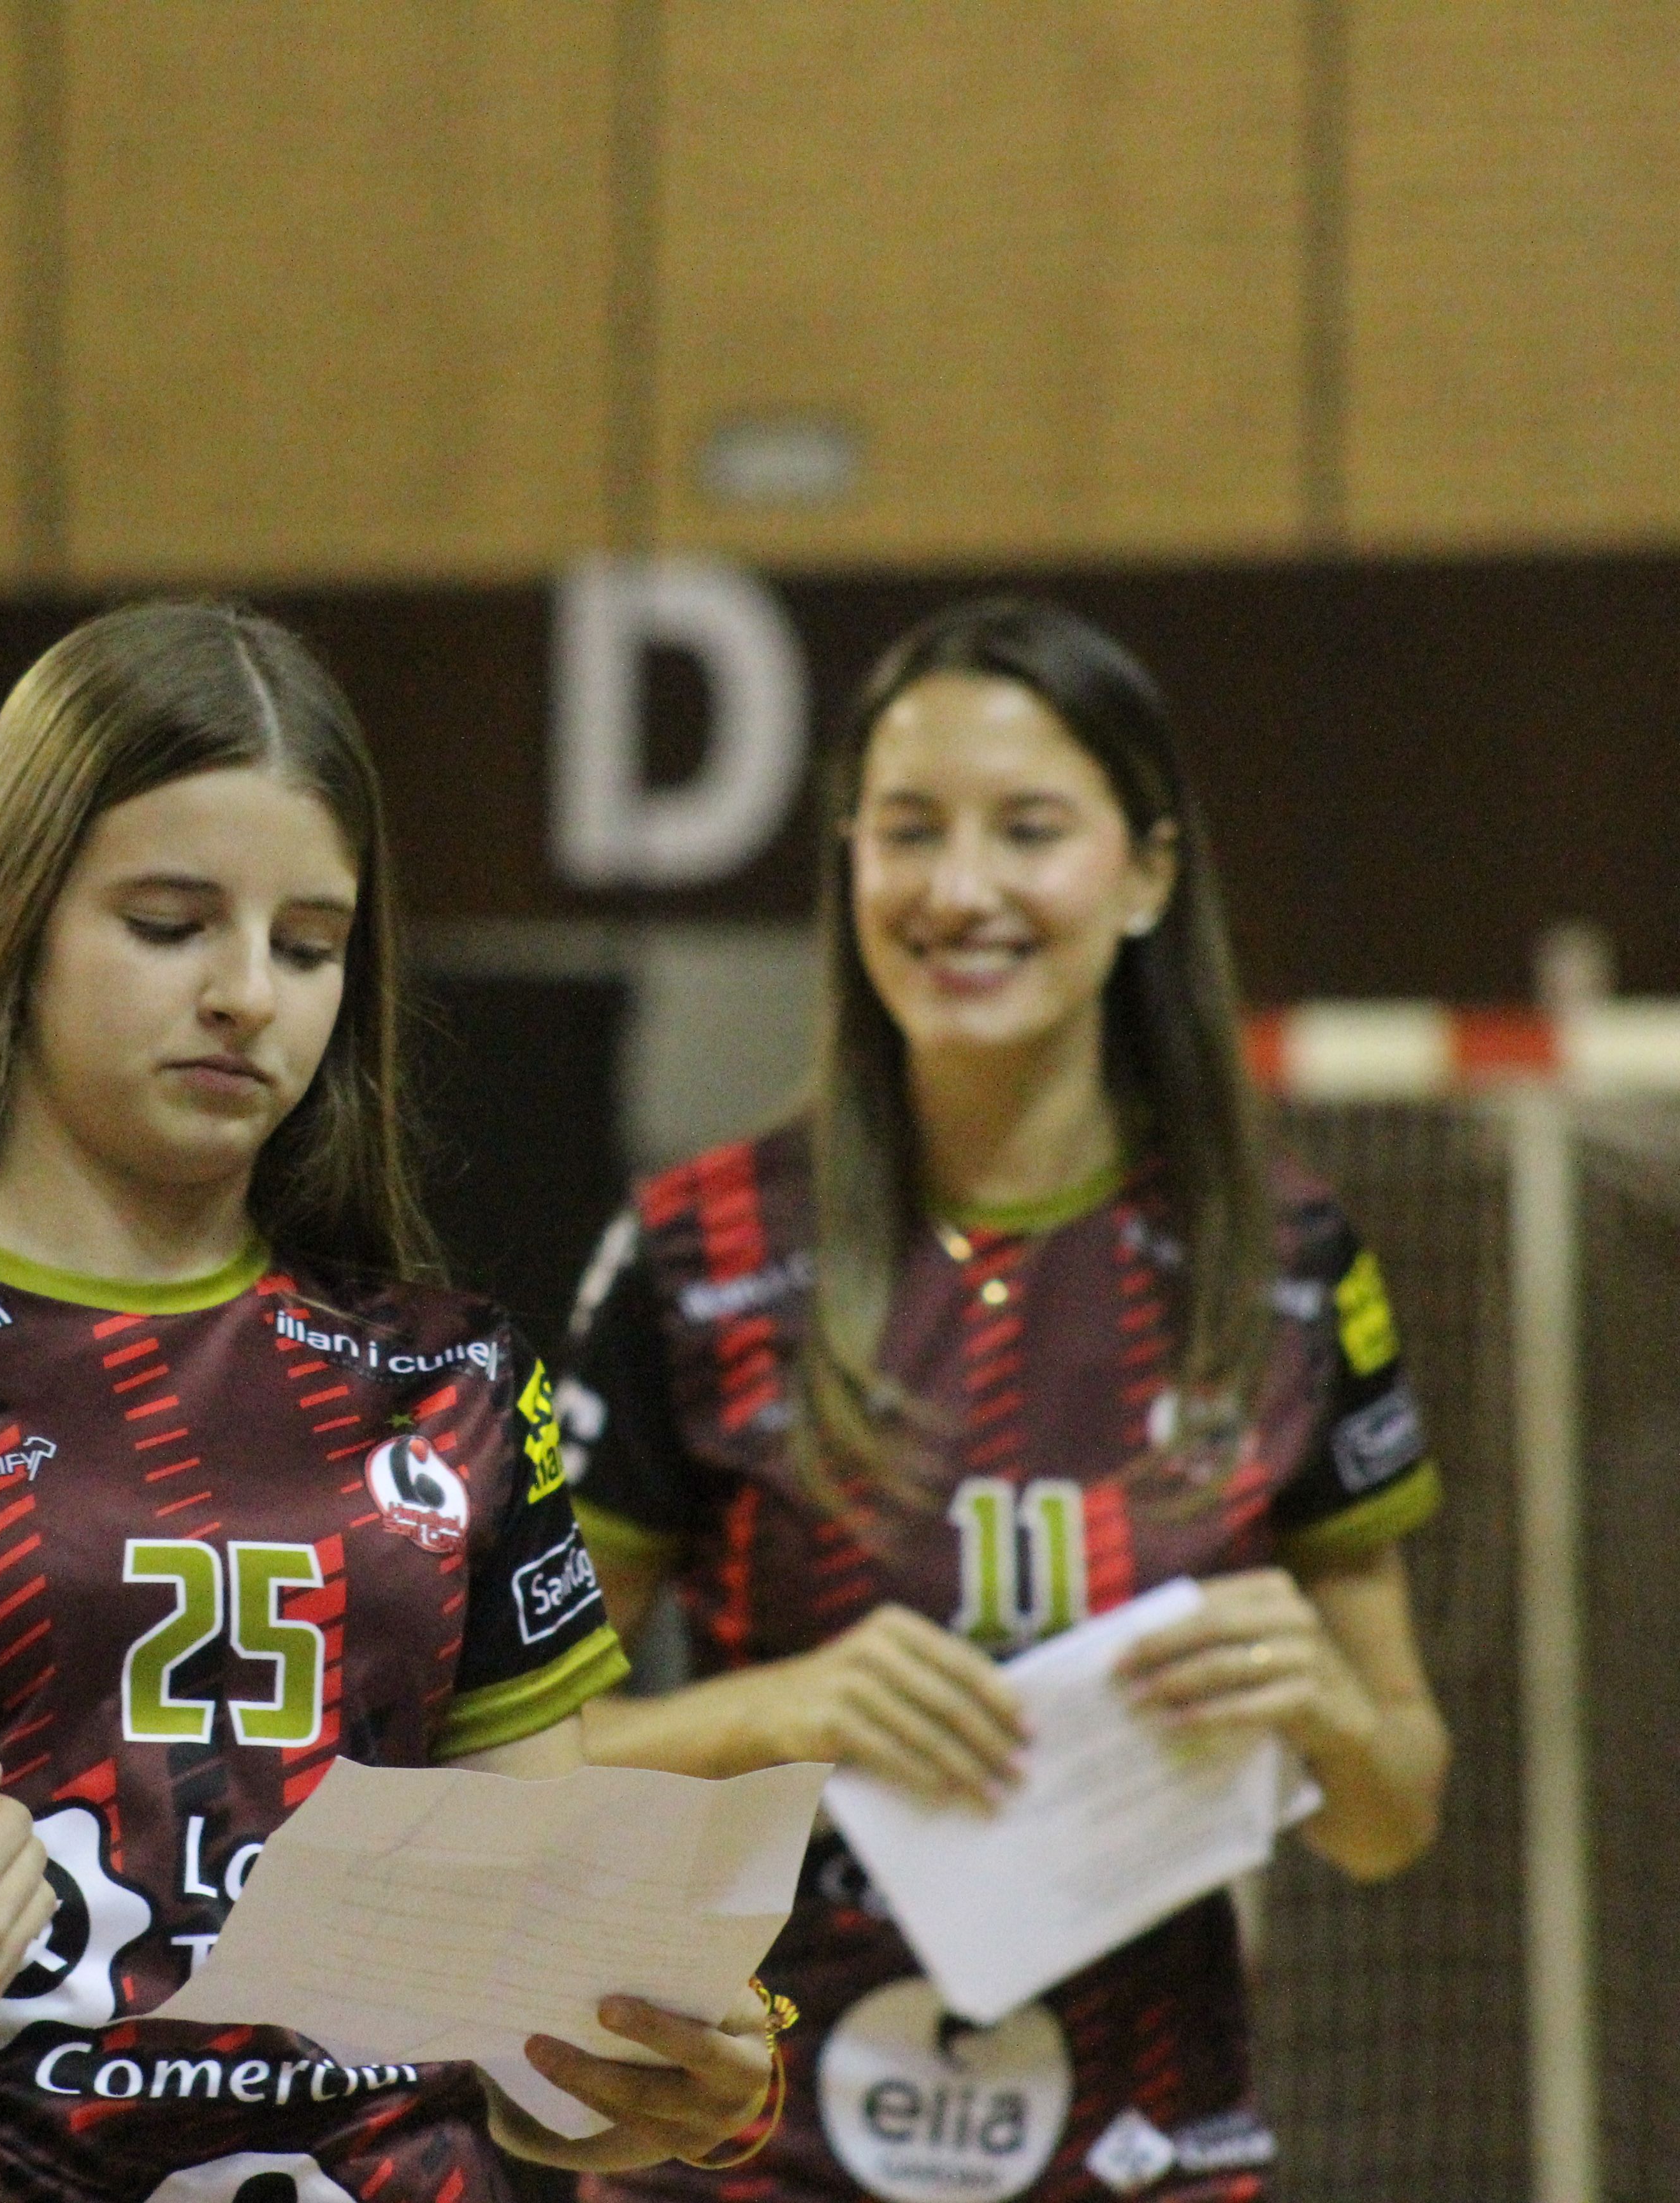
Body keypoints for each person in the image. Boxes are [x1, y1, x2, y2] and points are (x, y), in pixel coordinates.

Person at [0, 601, 779, 2200]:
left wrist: (691, 2070)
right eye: (169, 924)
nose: (246, 994)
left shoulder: (463, 1381)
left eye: (307, 946)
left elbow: (536, 2037)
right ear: (16, 920)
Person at [560, 599, 1451, 2203]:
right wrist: (771, 1710)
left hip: (1143, 2148)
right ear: (849, 866)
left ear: (1148, 875)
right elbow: (517, 1766)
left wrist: (1319, 1705)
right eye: (909, 832)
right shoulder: (694, 1255)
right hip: (745, 2148)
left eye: (1029, 831)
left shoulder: (1290, 1261)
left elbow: (1391, 1812)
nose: (960, 890)